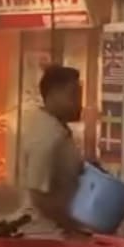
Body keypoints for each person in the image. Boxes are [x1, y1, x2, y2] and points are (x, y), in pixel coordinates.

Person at [19, 64, 85, 235]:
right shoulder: (47, 136)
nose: (79, 104)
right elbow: (38, 196)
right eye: (73, 95)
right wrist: (73, 226)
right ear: (53, 95)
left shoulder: (57, 130)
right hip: (44, 234)